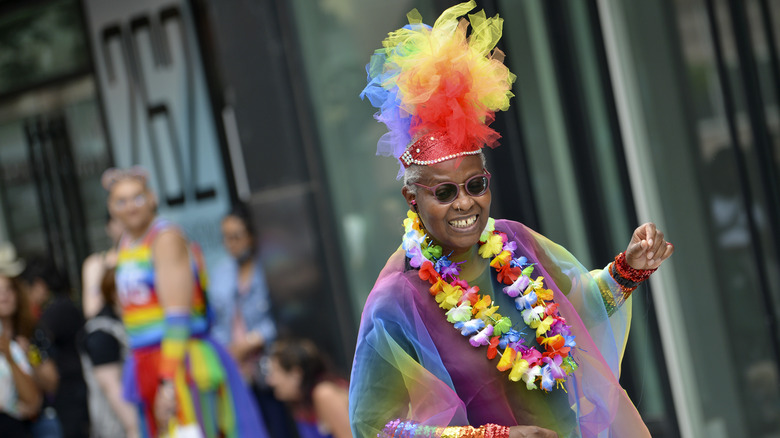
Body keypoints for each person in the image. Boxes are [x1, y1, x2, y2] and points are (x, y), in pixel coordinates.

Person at [349, 2, 675, 438]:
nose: (465, 204)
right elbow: (373, 428)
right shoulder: (396, 298)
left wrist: (630, 267)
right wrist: (487, 437)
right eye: (444, 192)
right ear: (412, 197)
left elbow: (577, 312)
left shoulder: (513, 242)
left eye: (475, 185)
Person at [103, 166, 268, 437]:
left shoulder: (165, 238)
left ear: (153, 198)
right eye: (121, 201)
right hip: (148, 362)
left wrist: (167, 382)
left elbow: (178, 317)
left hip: (181, 365)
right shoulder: (127, 243)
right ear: (111, 208)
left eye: (137, 197)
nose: (130, 207)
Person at [209, 204, 294, 438]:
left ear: (252, 235)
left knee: (278, 425)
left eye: (236, 237)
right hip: (236, 368)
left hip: (267, 363)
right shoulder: (221, 273)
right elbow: (216, 320)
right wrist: (228, 351)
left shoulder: (269, 267)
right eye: (226, 238)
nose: (231, 244)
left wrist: (251, 341)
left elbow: (284, 316)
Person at [21, 257, 89, 438]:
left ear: (39, 284)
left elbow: (38, 347)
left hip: (70, 391)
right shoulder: (62, 306)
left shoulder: (54, 312)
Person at [80, 267, 139, 437]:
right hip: (118, 427)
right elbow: (111, 387)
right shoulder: (101, 332)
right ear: (114, 292)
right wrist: (134, 427)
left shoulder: (132, 324)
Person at [266, 338, 352, 438]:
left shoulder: (324, 393)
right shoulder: (300, 406)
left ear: (296, 374)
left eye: (275, 372)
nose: (270, 381)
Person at [0, 244, 42, 437]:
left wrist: (19, 356)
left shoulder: (30, 333)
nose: (4, 297)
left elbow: (34, 401)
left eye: (8, 290)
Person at [81, 214, 124, 319]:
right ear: (108, 227)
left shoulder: (151, 256)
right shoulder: (96, 264)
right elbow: (92, 311)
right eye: (118, 220)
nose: (124, 225)